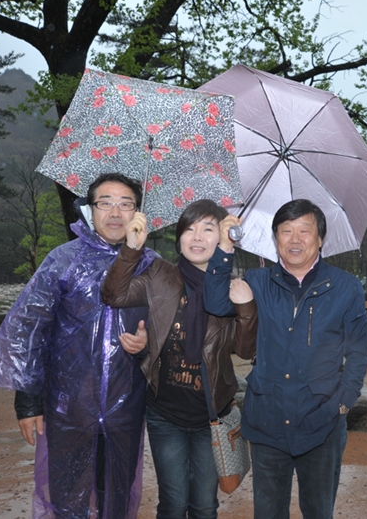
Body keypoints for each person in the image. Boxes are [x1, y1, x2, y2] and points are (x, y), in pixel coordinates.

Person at [0, 173, 157, 519]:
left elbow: (170, 329)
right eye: (105, 203)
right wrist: (28, 402)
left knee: (117, 495)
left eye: (126, 204)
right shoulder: (63, 260)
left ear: (138, 213)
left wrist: (148, 342)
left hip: (127, 406)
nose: (115, 212)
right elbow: (30, 330)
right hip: (68, 405)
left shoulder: (151, 265)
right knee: (67, 496)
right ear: (89, 209)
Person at [203, 199, 367, 519]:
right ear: (275, 237)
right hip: (267, 421)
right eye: (286, 231)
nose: (295, 239)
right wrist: (224, 247)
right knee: (268, 513)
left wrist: (343, 402)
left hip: (322, 422)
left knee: (318, 511)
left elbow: (359, 351)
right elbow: (213, 302)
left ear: (320, 239)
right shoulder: (257, 281)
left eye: (304, 231)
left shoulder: (345, 287)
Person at [100, 199, 257, 519]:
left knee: (204, 506)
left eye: (208, 229)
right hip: (165, 413)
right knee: (172, 503)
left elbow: (245, 351)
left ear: (223, 237)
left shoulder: (233, 287)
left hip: (212, 415)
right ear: (179, 237)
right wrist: (131, 249)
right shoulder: (160, 275)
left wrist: (246, 308)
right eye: (189, 229)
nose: (196, 237)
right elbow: (114, 295)